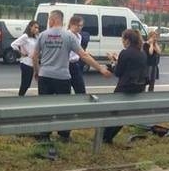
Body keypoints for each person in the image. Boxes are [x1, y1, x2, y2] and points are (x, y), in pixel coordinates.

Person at [33, 10, 112, 142]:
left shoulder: (42, 35)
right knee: (64, 107)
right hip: (62, 77)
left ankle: (44, 135)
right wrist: (101, 69)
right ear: (62, 21)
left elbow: (34, 56)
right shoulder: (69, 37)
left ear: (52, 20)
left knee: (45, 106)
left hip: (45, 76)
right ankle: (63, 134)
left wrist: (37, 71)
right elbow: (84, 55)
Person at [102, 29, 148, 145]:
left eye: (122, 39)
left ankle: (105, 137)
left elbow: (118, 72)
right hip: (137, 88)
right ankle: (109, 137)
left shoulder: (125, 52)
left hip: (125, 87)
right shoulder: (142, 53)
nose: (122, 41)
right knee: (124, 114)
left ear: (127, 40)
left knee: (113, 112)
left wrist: (112, 62)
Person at [10, 20, 39, 96]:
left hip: (32, 63)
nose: (36, 29)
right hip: (26, 62)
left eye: (37, 28)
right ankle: (20, 96)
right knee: (25, 83)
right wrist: (21, 53)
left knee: (28, 83)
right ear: (30, 27)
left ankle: (21, 95)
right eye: (35, 27)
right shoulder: (25, 36)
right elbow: (13, 44)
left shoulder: (36, 37)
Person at [67, 15, 90, 95]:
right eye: (78, 25)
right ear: (71, 24)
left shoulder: (79, 37)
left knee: (81, 89)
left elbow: (79, 51)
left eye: (81, 25)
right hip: (66, 64)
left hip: (75, 65)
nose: (80, 28)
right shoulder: (67, 35)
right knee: (66, 90)